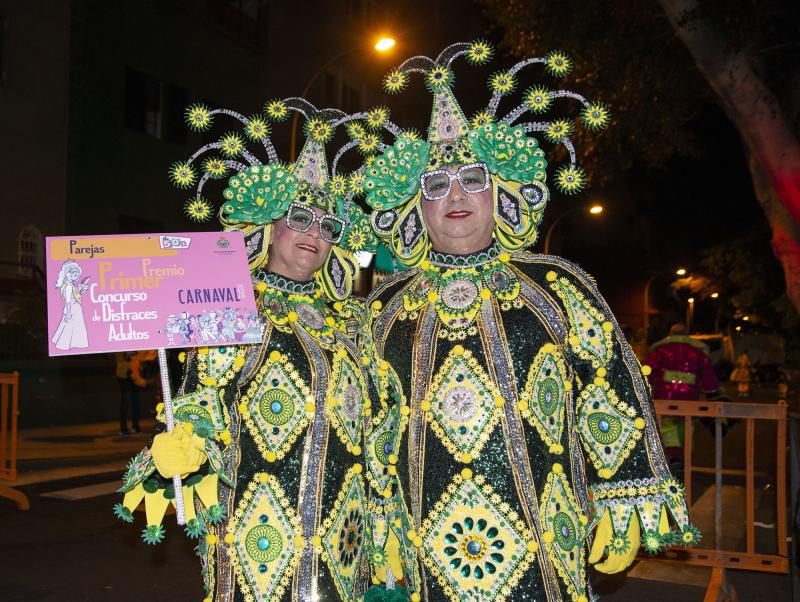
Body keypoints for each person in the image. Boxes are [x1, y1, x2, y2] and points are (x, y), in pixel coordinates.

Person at [358, 41, 699, 601]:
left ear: (502, 196)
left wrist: (623, 491)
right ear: (416, 211)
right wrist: (373, 520)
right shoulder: (383, 306)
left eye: (473, 178)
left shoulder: (557, 285)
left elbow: (607, 386)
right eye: (436, 186)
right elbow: (362, 415)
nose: (456, 196)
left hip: (544, 533)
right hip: (418, 540)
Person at [114, 98, 393, 602]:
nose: (315, 234)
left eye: (328, 227)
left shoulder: (353, 320)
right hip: (259, 533)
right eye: (302, 218)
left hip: (345, 534)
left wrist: (386, 516)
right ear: (269, 224)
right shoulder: (233, 302)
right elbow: (204, 397)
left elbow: (380, 417)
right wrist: (187, 441)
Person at [645, 324, 728, 464]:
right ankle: (685, 457)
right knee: (687, 426)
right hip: (690, 399)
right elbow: (709, 378)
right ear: (687, 335)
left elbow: (647, 372)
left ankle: (673, 456)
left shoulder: (660, 352)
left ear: (670, 334)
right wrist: (713, 394)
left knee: (668, 427)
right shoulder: (698, 354)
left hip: (665, 398)